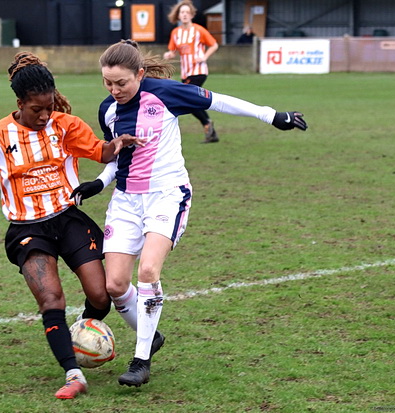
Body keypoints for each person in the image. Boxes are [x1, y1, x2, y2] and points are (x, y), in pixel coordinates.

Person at [71, 39, 307, 388]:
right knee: (115, 284)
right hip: (126, 201)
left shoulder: (167, 93)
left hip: (167, 196)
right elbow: (120, 158)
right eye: (108, 82)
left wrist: (272, 115)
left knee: (149, 270)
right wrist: (99, 183)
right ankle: (152, 336)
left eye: (121, 82)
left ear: (139, 73)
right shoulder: (108, 109)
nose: (114, 89)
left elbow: (221, 101)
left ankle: (141, 359)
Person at [0, 52, 140, 400]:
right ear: (20, 103)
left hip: (68, 218)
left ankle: (82, 332)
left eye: (49, 107)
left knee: (100, 294)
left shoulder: (66, 125)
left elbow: (101, 153)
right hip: (27, 229)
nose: (45, 115)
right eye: (36, 110)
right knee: (51, 298)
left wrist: (115, 145)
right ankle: (73, 373)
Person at [163, 0, 220, 143]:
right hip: (186, 72)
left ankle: (207, 124)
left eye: (187, 12)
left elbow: (214, 45)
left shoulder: (199, 30)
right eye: (182, 12)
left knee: (187, 99)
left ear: (192, 15)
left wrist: (204, 56)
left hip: (199, 70)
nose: (184, 15)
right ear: (178, 15)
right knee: (190, 100)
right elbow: (172, 51)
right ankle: (209, 127)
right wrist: (169, 55)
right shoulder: (175, 33)